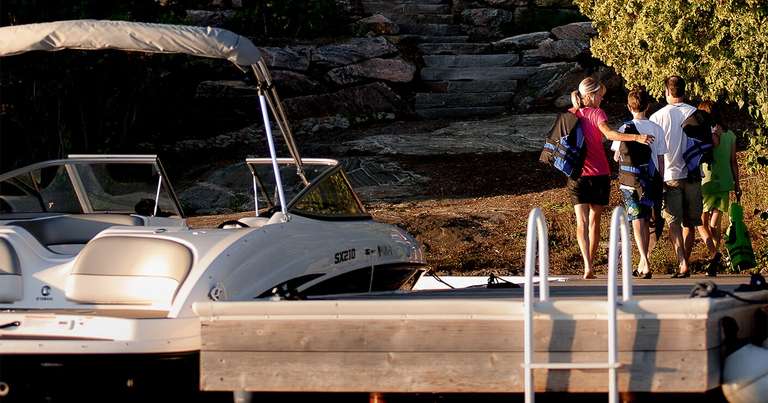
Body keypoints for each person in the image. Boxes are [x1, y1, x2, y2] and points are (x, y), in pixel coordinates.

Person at [569, 77, 654, 279]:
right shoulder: (597, 113)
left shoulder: (571, 114)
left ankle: (587, 265)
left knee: (581, 222)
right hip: (599, 172)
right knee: (594, 222)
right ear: (590, 95)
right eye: (600, 95)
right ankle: (589, 265)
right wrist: (636, 137)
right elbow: (610, 134)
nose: (602, 100)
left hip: (576, 174)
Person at [649, 76, 717, 277]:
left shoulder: (657, 117)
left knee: (673, 222)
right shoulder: (696, 113)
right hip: (694, 174)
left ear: (667, 92)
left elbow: (653, 150)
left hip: (670, 175)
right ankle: (685, 262)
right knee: (691, 222)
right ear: (685, 91)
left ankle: (682, 263)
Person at [611, 87, 667, 279]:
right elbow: (660, 159)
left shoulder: (624, 128)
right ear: (648, 106)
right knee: (647, 218)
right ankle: (644, 262)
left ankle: (644, 260)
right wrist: (661, 180)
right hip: (649, 180)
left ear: (629, 106)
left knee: (636, 220)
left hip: (628, 181)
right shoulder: (656, 129)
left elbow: (617, 155)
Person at [698, 100, 741, 275]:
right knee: (715, 223)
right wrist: (737, 184)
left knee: (701, 222)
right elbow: (733, 162)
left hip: (706, 182)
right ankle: (713, 262)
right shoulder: (730, 135)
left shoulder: (704, 133)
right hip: (725, 182)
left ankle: (713, 254)